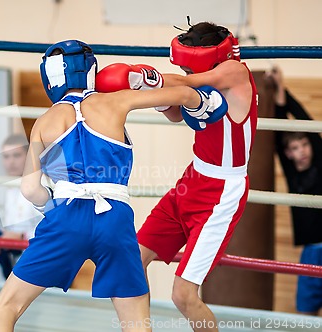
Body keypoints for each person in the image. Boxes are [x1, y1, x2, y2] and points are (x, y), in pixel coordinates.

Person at [0, 39, 228, 332]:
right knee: (136, 323)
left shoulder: (43, 122)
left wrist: (53, 207)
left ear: (49, 79)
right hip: (114, 219)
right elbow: (182, 94)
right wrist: (204, 104)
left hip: (65, 218)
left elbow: (30, 190)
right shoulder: (115, 101)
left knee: (7, 307)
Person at [99, 22, 258, 331]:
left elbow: (188, 84)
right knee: (132, 261)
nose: (186, 73)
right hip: (191, 181)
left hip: (222, 191)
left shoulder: (235, 73)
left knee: (183, 295)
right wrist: (154, 95)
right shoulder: (198, 83)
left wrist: (143, 79)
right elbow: (175, 110)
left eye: (188, 67)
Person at [267, 66, 322, 316]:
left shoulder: (320, 160)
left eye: (304, 144)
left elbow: (304, 120)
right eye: (296, 147)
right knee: (305, 311)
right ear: (289, 153)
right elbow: (279, 133)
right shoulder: (292, 172)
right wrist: (277, 90)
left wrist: (283, 88)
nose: (302, 150)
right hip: (310, 250)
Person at [0, 134, 42, 279]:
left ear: (28, 157)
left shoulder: (43, 185)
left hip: (41, 263)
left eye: (16, 155)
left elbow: (55, 228)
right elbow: (10, 225)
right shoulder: (9, 189)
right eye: (6, 157)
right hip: (18, 263)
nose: (11, 162)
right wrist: (1, 238)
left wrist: (22, 236)